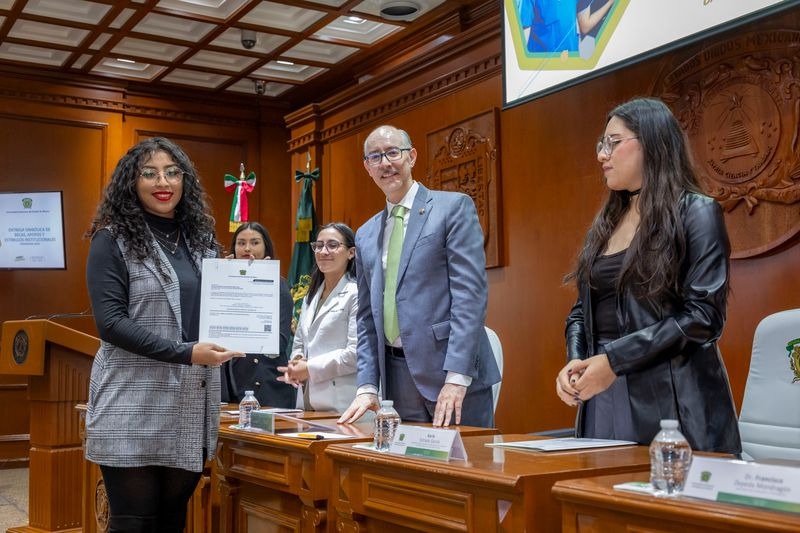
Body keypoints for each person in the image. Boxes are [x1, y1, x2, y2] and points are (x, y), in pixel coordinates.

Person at [556, 98, 741, 454]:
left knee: (660, 504)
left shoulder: (696, 212)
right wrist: (576, 360)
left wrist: (615, 360)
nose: (601, 155)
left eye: (613, 142)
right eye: (601, 144)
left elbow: (704, 317)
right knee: (600, 502)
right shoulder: (606, 223)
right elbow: (582, 311)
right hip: (601, 390)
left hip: (671, 401)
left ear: (653, 142)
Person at [85, 137, 244, 532]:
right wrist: (187, 353)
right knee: (133, 523)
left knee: (172, 521)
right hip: (130, 399)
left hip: (188, 403)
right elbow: (111, 323)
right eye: (150, 172)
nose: (164, 181)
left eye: (173, 172)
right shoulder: (112, 239)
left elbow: (215, 311)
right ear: (131, 182)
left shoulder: (202, 243)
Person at [338, 125, 500, 428]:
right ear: (367, 168)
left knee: (464, 472)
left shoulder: (452, 208)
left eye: (393, 153)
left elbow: (469, 297)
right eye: (375, 157)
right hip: (397, 380)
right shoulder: (365, 233)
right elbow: (365, 317)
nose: (385, 163)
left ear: (411, 156)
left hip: (450, 375)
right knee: (410, 474)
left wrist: (456, 378)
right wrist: (367, 386)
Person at [278, 222, 358, 413]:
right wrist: (297, 360)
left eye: (332, 245)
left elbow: (355, 353)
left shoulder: (356, 293)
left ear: (351, 252)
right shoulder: (310, 296)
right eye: (319, 245)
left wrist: (309, 368)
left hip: (343, 402)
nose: (323, 251)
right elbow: (299, 341)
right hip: (307, 398)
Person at [220, 222, 295, 408]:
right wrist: (225, 277)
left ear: (265, 247)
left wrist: (259, 284)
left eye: (254, 242)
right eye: (241, 242)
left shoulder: (279, 286)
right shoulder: (223, 282)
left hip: (266, 385)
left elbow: (279, 342)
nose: (247, 248)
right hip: (230, 382)